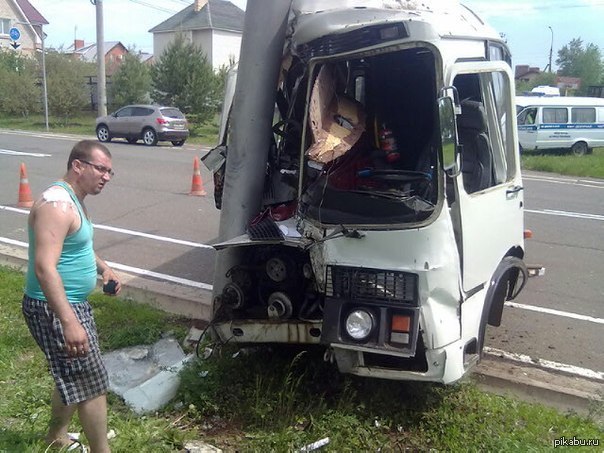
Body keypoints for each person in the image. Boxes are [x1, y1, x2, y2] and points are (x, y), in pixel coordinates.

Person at [22, 140, 121, 453]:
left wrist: (104, 269)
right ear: (78, 166)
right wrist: (69, 322)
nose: (106, 177)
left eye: (110, 172)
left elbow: (79, 246)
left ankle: (56, 435)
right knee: (92, 382)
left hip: (71, 305)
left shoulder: (73, 199)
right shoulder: (57, 205)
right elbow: (44, 268)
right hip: (54, 309)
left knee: (72, 374)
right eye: (101, 169)